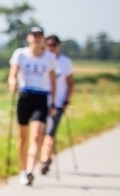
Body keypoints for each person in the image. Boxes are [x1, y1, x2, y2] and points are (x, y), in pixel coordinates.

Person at [8, 26, 57, 186]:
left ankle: (30, 170)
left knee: (36, 135)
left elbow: (52, 81)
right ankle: (22, 170)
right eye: (34, 35)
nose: (36, 38)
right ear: (29, 37)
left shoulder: (49, 57)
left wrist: (54, 102)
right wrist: (13, 83)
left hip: (41, 97)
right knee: (23, 137)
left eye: (39, 35)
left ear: (43, 38)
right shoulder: (20, 54)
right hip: (25, 95)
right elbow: (12, 74)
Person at [39, 35, 74, 174]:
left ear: (58, 46)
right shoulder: (42, 60)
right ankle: (45, 156)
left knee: (50, 133)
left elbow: (70, 84)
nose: (50, 47)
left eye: (53, 45)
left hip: (57, 103)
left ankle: (44, 159)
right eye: (48, 44)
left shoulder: (65, 62)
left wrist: (66, 101)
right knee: (39, 134)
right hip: (41, 102)